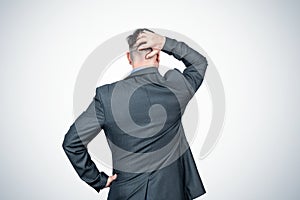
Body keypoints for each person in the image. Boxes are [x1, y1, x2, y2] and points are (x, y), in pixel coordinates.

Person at [62, 28, 208, 200]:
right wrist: (165, 42)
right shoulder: (176, 88)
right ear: (158, 56)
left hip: (126, 194)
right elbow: (199, 63)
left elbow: (72, 143)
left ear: (129, 58)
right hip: (171, 193)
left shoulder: (107, 97)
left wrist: (97, 179)